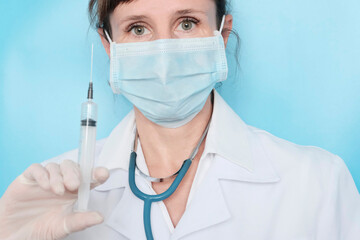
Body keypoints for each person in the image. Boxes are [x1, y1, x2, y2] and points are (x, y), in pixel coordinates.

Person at [0, 0, 359, 239]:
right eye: (138, 29)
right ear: (110, 46)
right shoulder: (50, 198)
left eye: (186, 23)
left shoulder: (317, 183)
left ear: (223, 34)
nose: (163, 55)